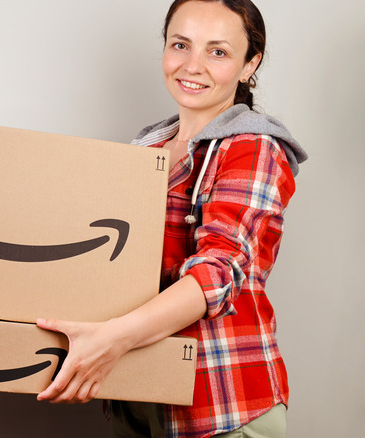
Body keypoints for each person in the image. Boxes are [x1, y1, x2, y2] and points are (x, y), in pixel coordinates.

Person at [36, 0, 308, 437]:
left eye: (217, 51)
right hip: (138, 392)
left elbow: (218, 270)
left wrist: (111, 340)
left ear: (248, 64)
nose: (193, 65)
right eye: (180, 45)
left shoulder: (254, 147)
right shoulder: (145, 151)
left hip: (220, 402)